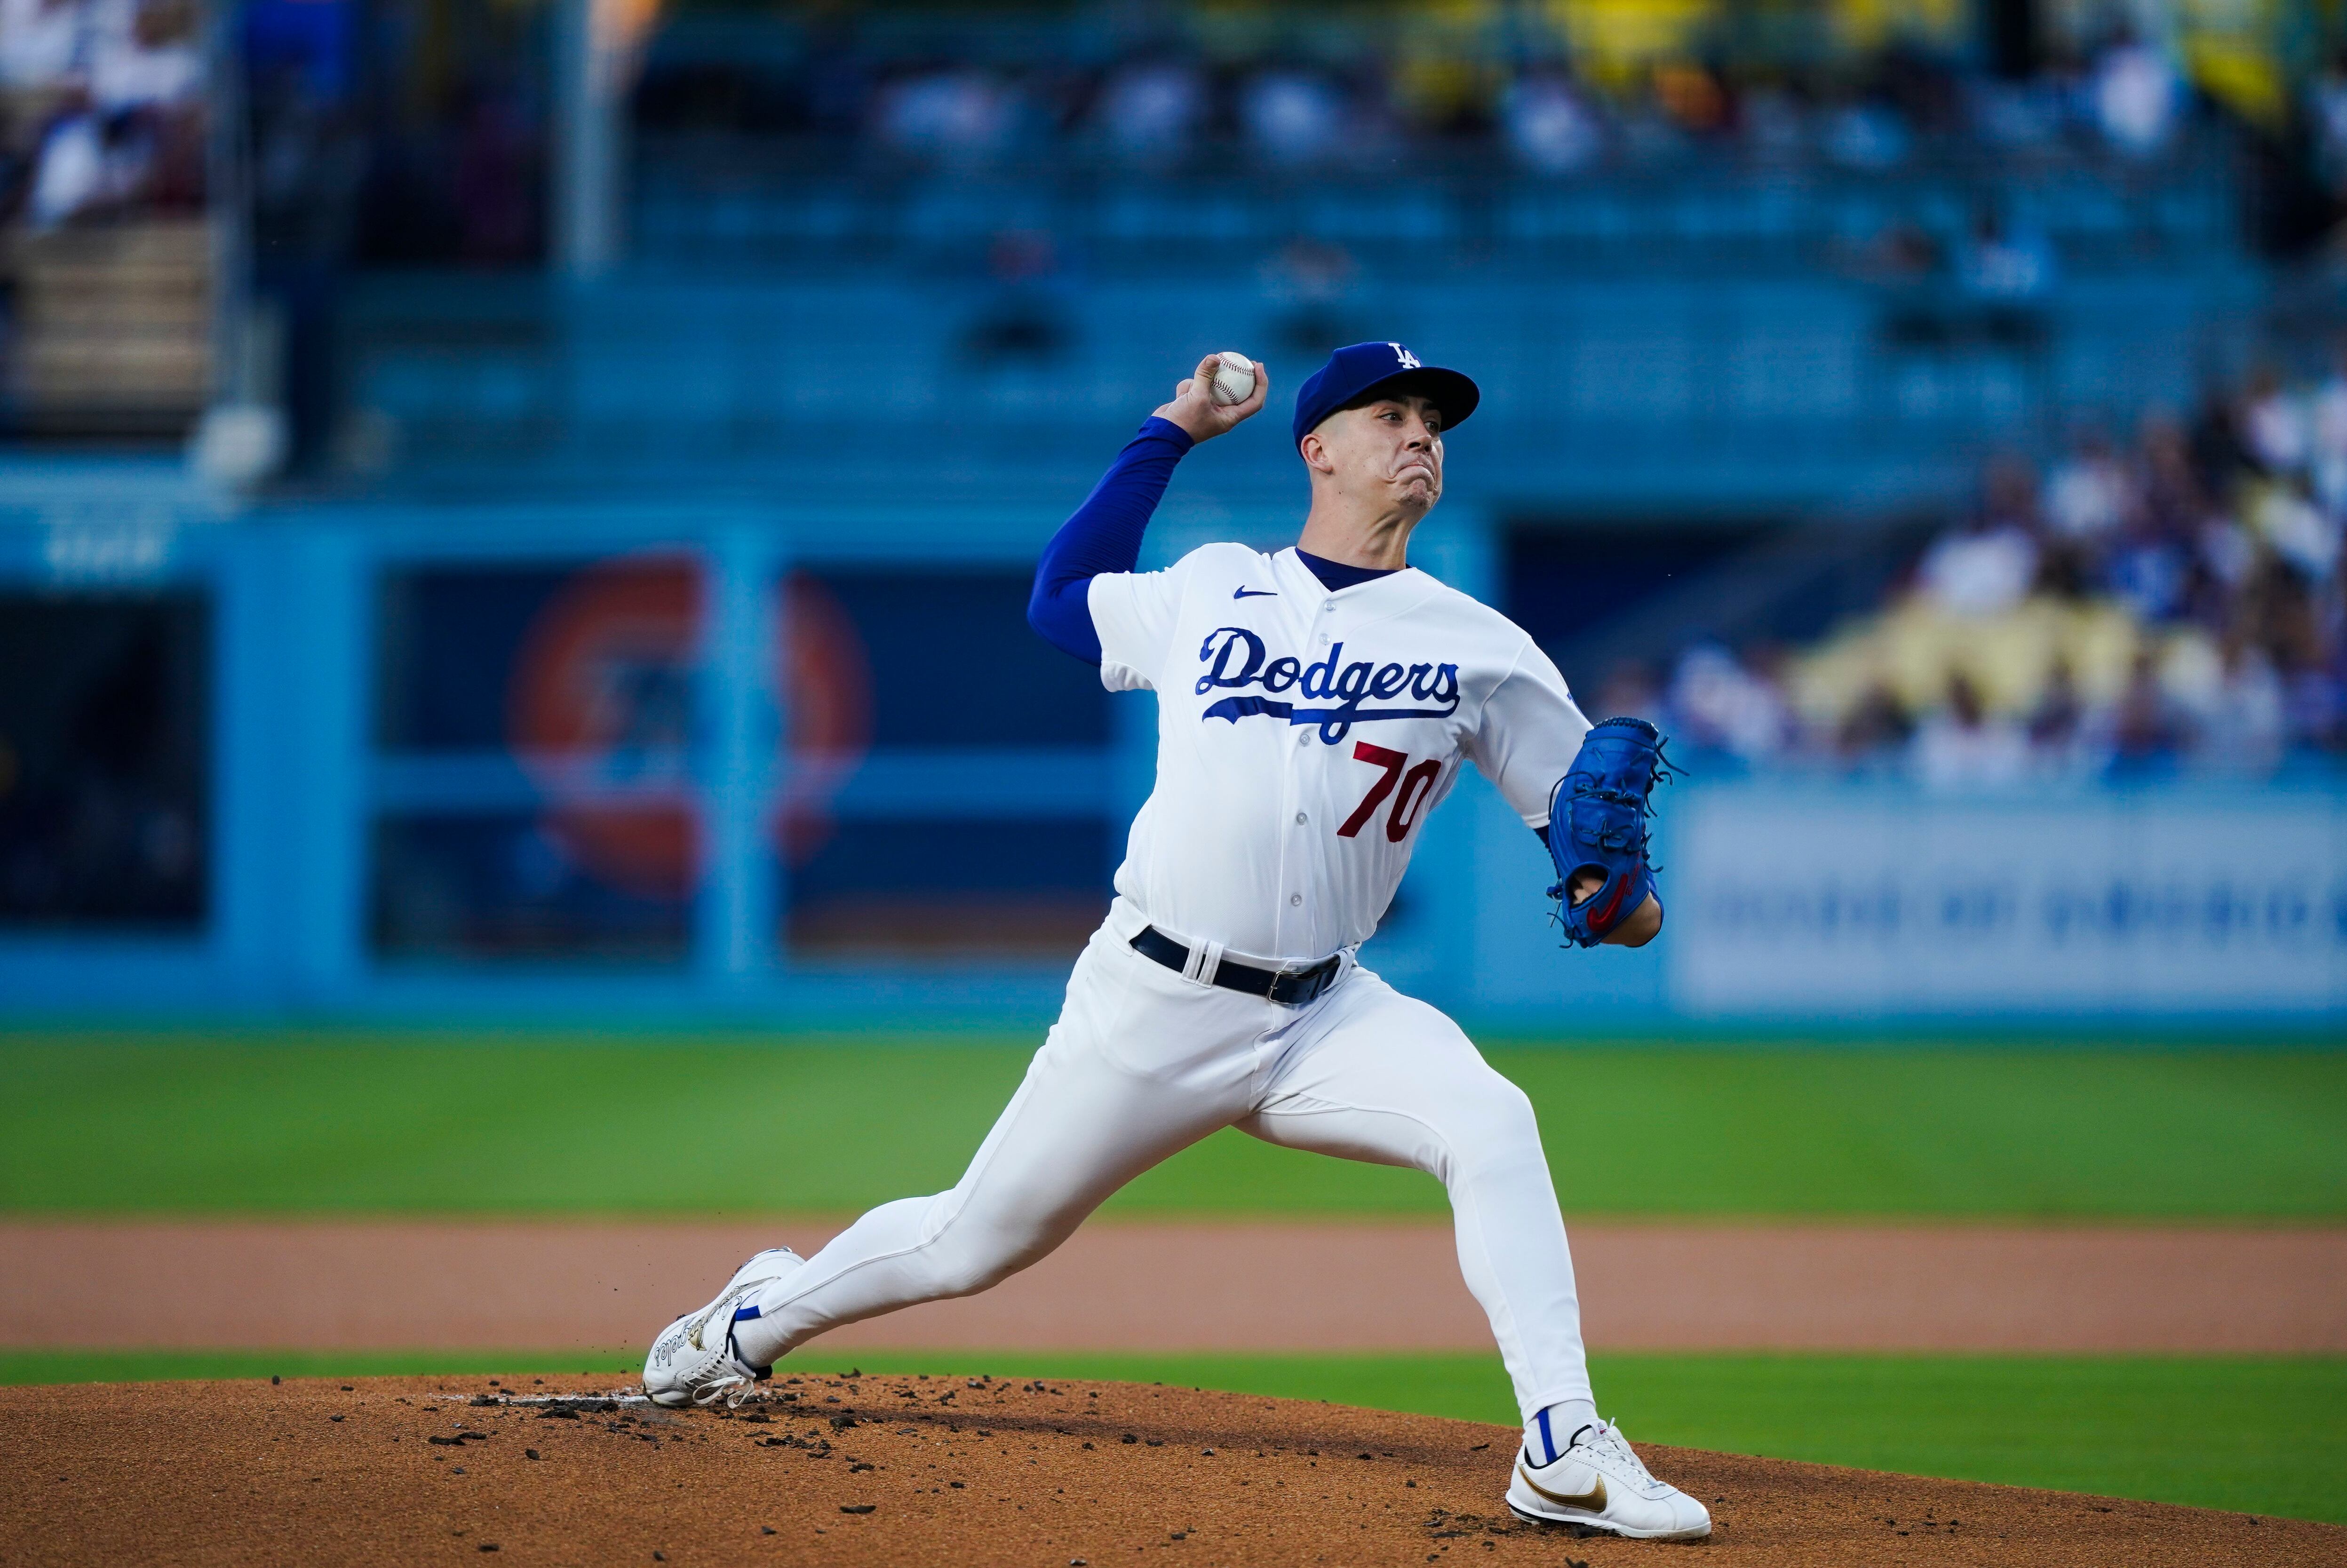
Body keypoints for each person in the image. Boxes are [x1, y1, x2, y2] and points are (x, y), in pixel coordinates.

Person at [642, 344, 1707, 1542]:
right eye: (1392, 414)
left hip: (1324, 1014)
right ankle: (751, 1318)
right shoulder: (1210, 584)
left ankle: (1561, 1442)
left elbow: (1612, 886)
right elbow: (1059, 599)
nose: (1422, 436)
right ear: (1318, 449)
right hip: (1154, 998)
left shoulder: (1486, 649)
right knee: (969, 1241)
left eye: (1436, 422)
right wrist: (1173, 427)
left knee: (1493, 1120)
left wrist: (1620, 904)